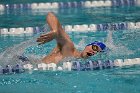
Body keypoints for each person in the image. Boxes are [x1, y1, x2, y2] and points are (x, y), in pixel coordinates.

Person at [36, 12, 106, 64]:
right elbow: (50, 15)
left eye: (97, 52)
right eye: (95, 48)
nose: (94, 52)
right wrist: (55, 32)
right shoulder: (69, 48)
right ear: (88, 45)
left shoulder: (75, 60)